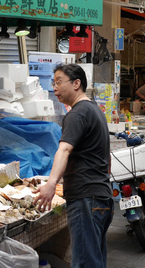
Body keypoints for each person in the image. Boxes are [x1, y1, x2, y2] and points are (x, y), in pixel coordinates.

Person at [33, 64, 114, 268]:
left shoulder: (77, 114)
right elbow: (107, 161)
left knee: (86, 263)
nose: (54, 87)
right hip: (100, 197)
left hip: (86, 198)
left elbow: (64, 150)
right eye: (53, 83)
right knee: (95, 260)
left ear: (77, 83)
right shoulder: (94, 110)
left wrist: (51, 184)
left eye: (59, 81)